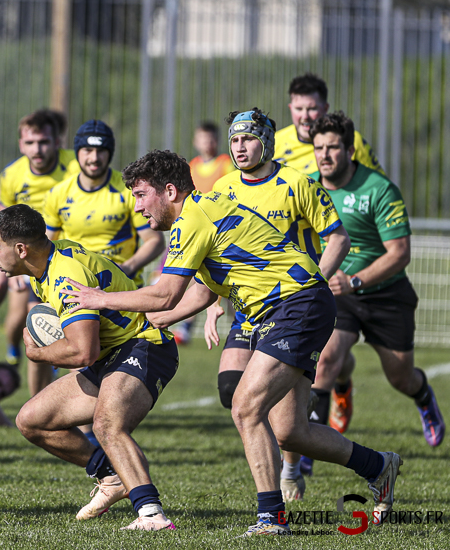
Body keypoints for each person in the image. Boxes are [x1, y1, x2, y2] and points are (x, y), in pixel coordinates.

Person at [62, 150, 402, 536]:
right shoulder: (203, 211)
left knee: (245, 407)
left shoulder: (192, 218)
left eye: (141, 195)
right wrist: (146, 321)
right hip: (296, 304)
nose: (137, 207)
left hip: (295, 304)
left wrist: (100, 299)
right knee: (291, 431)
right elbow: (197, 295)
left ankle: (271, 520)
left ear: (169, 191)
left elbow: (165, 295)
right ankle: (378, 466)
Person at [0, 205, 179, 531]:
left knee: (107, 423)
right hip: (111, 354)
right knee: (32, 421)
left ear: (20, 249)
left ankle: (151, 514)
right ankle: (111, 477)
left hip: (144, 346)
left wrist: (39, 354)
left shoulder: (64, 276)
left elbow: (83, 351)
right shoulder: (45, 264)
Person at [198, 109, 350, 502]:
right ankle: (281, 447)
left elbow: (338, 239)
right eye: (234, 140)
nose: (240, 147)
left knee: (284, 422)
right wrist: (215, 303)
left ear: (266, 141)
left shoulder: (297, 183)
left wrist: (312, 282)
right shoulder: (225, 187)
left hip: (291, 308)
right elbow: (220, 251)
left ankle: (289, 467)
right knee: (232, 389)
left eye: (248, 139)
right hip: (248, 308)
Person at [309, 111, 445, 448]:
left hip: (385, 292)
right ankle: (307, 450)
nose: (325, 154)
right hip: (337, 292)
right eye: (319, 147)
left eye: (333, 147)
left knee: (401, 377)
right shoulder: (307, 188)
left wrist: (354, 280)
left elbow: (399, 252)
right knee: (324, 360)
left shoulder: (379, 188)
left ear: (351, 150)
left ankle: (424, 397)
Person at [0, 109, 77, 392]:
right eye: (30, 143)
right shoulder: (11, 175)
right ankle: (15, 353)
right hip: (26, 257)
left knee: (53, 328)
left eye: (43, 142)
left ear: (57, 142)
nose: (37, 149)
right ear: (21, 145)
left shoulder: (74, 167)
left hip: (64, 258)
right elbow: (3, 217)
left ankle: (63, 402)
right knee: (25, 320)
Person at [42, 120, 164, 283]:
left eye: (101, 151)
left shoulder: (128, 191)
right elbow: (46, 246)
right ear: (77, 152)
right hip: (73, 282)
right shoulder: (57, 194)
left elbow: (155, 241)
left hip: (121, 285)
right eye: (88, 150)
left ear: (110, 153)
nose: (94, 158)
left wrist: (126, 268)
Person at [173, 121, 235, 343]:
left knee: (227, 283)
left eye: (211, 139)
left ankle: (244, 323)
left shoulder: (225, 164)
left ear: (217, 141)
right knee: (195, 276)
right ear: (196, 142)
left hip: (220, 229)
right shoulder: (192, 166)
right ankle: (185, 327)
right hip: (198, 230)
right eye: (203, 139)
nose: (207, 143)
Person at [274, 73, 384, 175]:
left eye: (312, 109)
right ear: (290, 108)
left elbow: (380, 187)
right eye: (298, 109)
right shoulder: (274, 143)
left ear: (325, 108)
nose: (305, 116)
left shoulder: (352, 140)